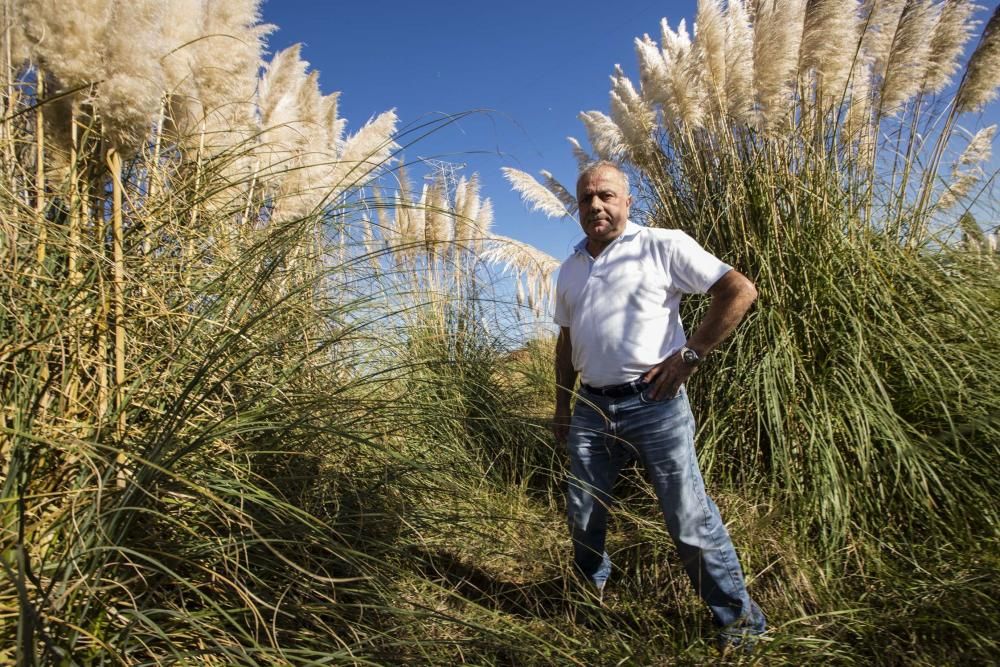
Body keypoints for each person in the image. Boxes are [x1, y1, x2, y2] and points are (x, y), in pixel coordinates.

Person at [552, 161, 765, 647]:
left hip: (655, 403)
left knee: (688, 515)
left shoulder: (662, 245)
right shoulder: (569, 268)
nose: (595, 206)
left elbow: (739, 290)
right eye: (586, 199)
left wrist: (690, 356)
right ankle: (589, 598)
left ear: (628, 202)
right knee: (583, 511)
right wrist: (563, 406)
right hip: (591, 407)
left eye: (606, 195)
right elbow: (566, 345)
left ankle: (741, 627)